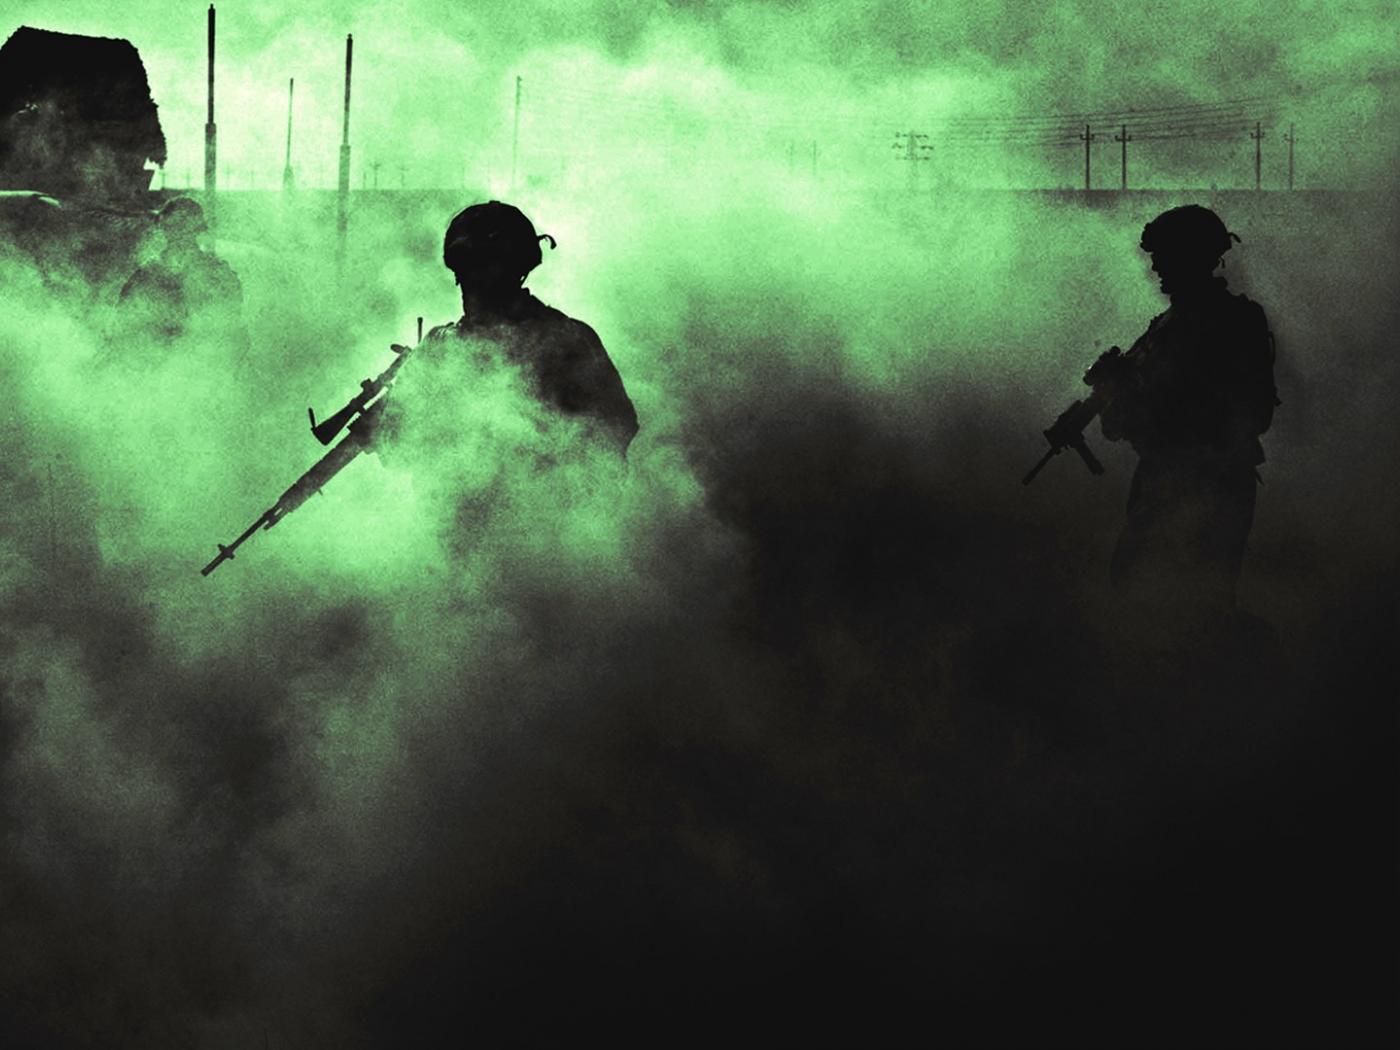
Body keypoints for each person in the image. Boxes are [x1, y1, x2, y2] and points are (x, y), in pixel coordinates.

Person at [1096, 205, 1278, 617]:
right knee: (1140, 589)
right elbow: (1120, 422)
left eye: (1165, 256)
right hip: (1164, 479)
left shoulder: (1231, 320)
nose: (1156, 266)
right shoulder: (1165, 326)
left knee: (1196, 602)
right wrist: (1117, 392)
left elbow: (1251, 410)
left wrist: (1147, 407)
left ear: (1192, 257)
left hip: (1209, 483)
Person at [410, 200, 638, 454]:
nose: (474, 283)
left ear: (514, 269)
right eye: (467, 270)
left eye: (485, 268)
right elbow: (400, 446)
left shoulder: (568, 340)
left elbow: (616, 428)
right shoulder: (440, 347)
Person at [117, 196, 243, 342]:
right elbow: (126, 318)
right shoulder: (147, 273)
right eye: (175, 228)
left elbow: (231, 318)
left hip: (201, 348)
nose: (180, 235)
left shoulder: (215, 270)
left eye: (183, 228)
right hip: (161, 349)